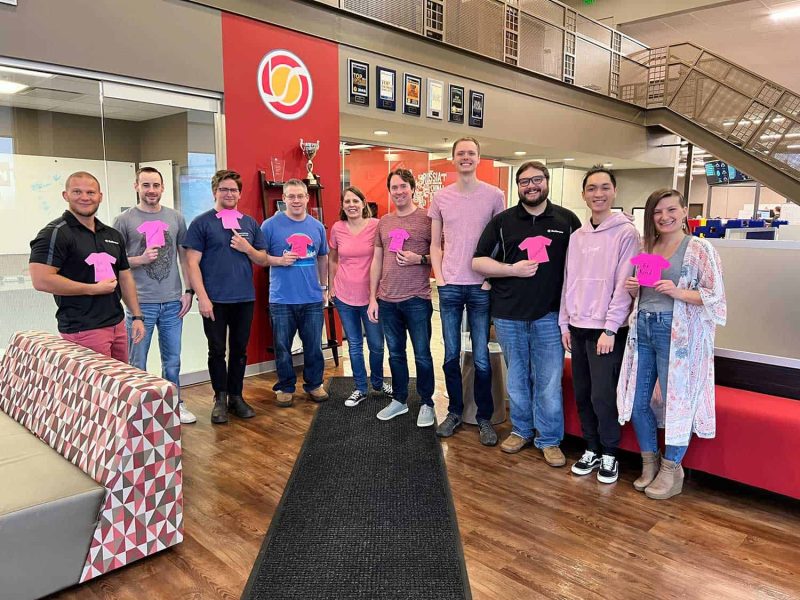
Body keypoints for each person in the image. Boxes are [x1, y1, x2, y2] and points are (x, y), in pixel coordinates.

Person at [618, 188, 726, 499]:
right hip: (644, 330)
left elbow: (715, 298)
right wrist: (632, 289)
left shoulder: (699, 249)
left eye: (670, 210)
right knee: (637, 402)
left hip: (677, 335)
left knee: (678, 401)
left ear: (683, 212)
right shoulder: (647, 246)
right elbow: (643, 295)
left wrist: (678, 292)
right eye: (657, 212)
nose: (664, 217)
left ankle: (671, 468)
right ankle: (649, 461)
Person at [473, 161, 581, 465]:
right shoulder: (504, 221)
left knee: (548, 380)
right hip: (508, 315)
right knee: (518, 378)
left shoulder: (567, 220)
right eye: (524, 182)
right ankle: (521, 430)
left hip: (550, 315)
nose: (530, 186)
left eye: (536, 180)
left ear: (546, 182)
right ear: (517, 186)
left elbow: (584, 263)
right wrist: (512, 270)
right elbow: (478, 262)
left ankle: (549, 439)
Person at [560, 166, 640, 484]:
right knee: (582, 393)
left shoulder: (626, 233)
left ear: (614, 192)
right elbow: (569, 280)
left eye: (605, 187)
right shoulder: (577, 236)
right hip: (577, 327)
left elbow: (624, 284)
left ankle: (610, 453)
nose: (598, 194)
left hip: (607, 331)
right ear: (584, 194)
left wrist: (610, 328)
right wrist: (564, 323)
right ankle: (591, 448)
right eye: (592, 188)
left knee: (602, 395)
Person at [429, 137, 505, 447]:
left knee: (483, 358)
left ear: (478, 157)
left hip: (480, 287)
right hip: (449, 287)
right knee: (449, 355)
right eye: (460, 153)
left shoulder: (495, 196)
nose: (465, 157)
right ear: (452, 158)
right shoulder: (441, 197)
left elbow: (502, 241)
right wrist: (441, 277)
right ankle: (455, 412)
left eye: (471, 153)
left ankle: (484, 417)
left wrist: (489, 279)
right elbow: (435, 243)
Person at [29, 171, 145, 360]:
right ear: (65, 195)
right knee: (97, 388)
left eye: (91, 193)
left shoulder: (112, 235)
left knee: (118, 387)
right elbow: (41, 280)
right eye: (77, 192)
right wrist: (92, 289)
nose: (85, 197)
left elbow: (124, 277)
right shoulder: (55, 233)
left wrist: (137, 316)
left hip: (117, 325)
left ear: (100, 196)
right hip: (83, 329)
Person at [183, 169, 268, 424]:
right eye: (224, 189)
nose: (229, 193)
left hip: (244, 298)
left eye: (233, 190)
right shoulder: (202, 223)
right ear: (214, 192)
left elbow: (263, 258)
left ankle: (236, 397)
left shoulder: (250, 224)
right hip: (214, 300)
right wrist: (202, 297)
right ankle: (219, 399)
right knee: (217, 350)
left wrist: (247, 248)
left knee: (240, 351)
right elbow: (191, 263)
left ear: (239, 194)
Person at [113, 167, 196, 424]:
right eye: (146, 185)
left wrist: (188, 291)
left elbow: (184, 258)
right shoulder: (124, 220)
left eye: (156, 185)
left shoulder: (176, 218)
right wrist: (139, 258)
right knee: (137, 361)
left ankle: (174, 404)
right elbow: (115, 262)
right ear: (136, 186)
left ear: (162, 188)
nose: (151, 190)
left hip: (172, 301)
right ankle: (139, 410)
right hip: (140, 303)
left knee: (172, 360)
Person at [367, 168, 435, 427]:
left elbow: (441, 253)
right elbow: (377, 260)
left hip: (417, 299)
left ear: (413, 188)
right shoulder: (384, 221)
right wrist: (373, 298)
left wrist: (421, 259)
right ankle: (400, 400)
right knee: (395, 354)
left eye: (403, 186)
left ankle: (427, 402)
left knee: (422, 355)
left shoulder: (427, 219)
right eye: (394, 187)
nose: (399, 192)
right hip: (387, 300)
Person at [261, 178, 330, 407]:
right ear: (284, 199)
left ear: (307, 198)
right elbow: (260, 257)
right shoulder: (269, 226)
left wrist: (325, 287)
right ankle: (285, 385)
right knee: (282, 346)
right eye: (291, 196)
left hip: (312, 297)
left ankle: (314, 384)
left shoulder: (317, 227)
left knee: (313, 346)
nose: (296, 200)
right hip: (282, 298)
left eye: (300, 196)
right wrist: (278, 260)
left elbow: (322, 257)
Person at [329, 186, 391, 406]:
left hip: (372, 296)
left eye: (356, 201)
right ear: (343, 206)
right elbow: (333, 258)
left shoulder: (377, 225)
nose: (351, 205)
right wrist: (330, 287)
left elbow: (384, 256)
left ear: (364, 203)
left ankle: (377, 382)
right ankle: (360, 388)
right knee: (354, 344)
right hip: (344, 295)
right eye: (347, 202)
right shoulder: (337, 228)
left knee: (376, 344)